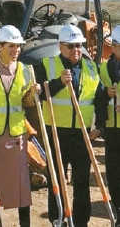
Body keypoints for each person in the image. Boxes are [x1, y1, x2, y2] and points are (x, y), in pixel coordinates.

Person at [36, 24, 108, 227]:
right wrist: (58, 82)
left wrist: (100, 126)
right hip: (56, 132)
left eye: (79, 46)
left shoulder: (91, 67)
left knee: (82, 180)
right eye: (71, 46)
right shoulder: (47, 64)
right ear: (61, 47)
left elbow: (100, 99)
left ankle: (81, 221)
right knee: (56, 180)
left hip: (82, 134)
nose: (76, 50)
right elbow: (39, 93)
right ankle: (57, 219)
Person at [0, 25, 40, 227]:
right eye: (11, 46)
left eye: (18, 47)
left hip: (17, 135)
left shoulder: (24, 70)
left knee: (21, 185)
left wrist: (33, 94)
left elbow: (27, 101)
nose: (16, 50)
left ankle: (25, 224)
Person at [99, 25, 120, 226]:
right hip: (112, 131)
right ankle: (117, 212)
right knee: (113, 174)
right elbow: (95, 98)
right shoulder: (103, 68)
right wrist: (106, 94)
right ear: (113, 47)